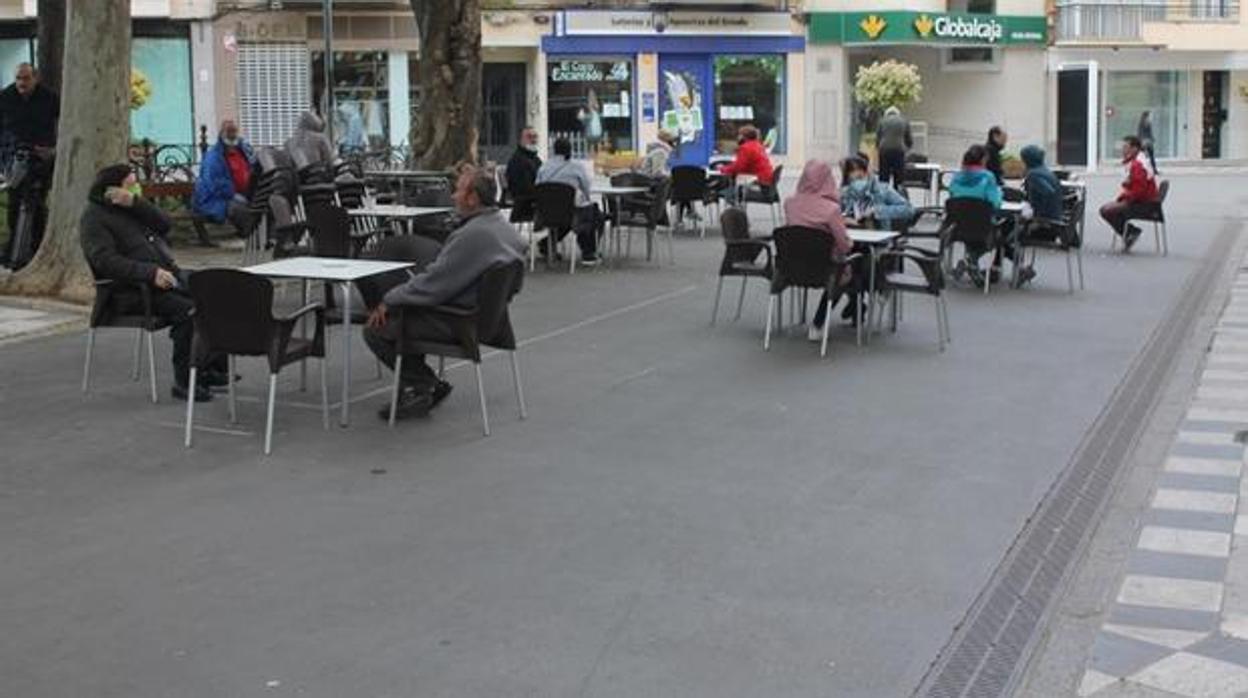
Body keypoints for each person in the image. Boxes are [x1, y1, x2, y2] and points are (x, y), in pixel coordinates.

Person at [363, 167, 527, 421]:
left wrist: (389, 299)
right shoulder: (506, 231)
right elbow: (513, 285)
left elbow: (433, 285)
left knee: (378, 328)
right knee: (407, 308)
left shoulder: (472, 235)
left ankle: (422, 384)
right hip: (491, 319)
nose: (453, 196)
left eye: (459, 190)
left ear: (473, 198)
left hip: (460, 321)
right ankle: (423, 386)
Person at [80, 165, 230, 403]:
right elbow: (106, 262)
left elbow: (165, 225)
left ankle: (210, 369)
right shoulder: (94, 219)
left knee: (215, 292)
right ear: (111, 190)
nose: (135, 187)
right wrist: (149, 273)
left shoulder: (130, 208)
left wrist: (136, 203)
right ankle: (184, 382)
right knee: (189, 311)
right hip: (131, 291)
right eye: (130, 184)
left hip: (168, 275)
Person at [783, 160, 857, 340]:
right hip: (825, 270)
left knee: (840, 268)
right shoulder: (832, 210)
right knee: (850, 268)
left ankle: (856, 307)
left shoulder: (789, 203)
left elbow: (793, 232)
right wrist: (851, 242)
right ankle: (819, 321)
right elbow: (844, 245)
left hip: (792, 268)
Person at [0, 63, 59, 268]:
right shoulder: (5, 96)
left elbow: (63, 121)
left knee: (37, 203)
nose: (21, 83)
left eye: (25, 78)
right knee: (15, 204)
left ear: (35, 78)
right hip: (13, 158)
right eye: (18, 78)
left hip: (41, 158)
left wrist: (53, 149)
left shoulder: (49, 98)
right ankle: (12, 252)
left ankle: (36, 248)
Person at [536, 137, 602, 265]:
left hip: (545, 214)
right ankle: (588, 252)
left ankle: (546, 244)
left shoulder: (543, 167)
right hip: (570, 213)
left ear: (554, 150)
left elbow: (537, 187)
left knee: (564, 217)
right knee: (594, 213)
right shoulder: (576, 167)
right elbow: (586, 189)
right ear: (570, 151)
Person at [947, 144, 1005, 285]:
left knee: (970, 223)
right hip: (983, 228)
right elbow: (995, 203)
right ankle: (971, 259)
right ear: (983, 159)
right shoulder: (988, 177)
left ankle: (971, 262)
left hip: (957, 228)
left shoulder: (956, 177)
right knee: (1000, 235)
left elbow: (953, 198)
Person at [192, 119, 257, 237]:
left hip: (243, 194)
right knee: (239, 208)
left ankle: (272, 236)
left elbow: (253, 168)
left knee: (265, 202)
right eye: (229, 132)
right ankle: (252, 237)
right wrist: (234, 194)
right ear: (222, 134)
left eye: (234, 131)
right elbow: (214, 184)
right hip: (214, 200)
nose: (232, 135)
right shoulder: (213, 157)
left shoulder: (243, 151)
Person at [1099, 135, 1159, 252]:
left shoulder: (1137, 165)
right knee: (1111, 208)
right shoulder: (1139, 161)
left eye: (1126, 147)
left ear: (1134, 149)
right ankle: (1129, 233)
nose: (1123, 150)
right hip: (1146, 199)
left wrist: (1124, 198)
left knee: (1105, 210)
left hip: (1144, 203)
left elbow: (1139, 191)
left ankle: (1131, 233)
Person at [839, 155, 914, 232]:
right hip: (853, 238)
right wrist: (844, 220)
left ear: (867, 173)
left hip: (879, 238)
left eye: (860, 177)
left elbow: (909, 210)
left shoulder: (883, 190)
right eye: (852, 181)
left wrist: (877, 211)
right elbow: (835, 215)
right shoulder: (845, 194)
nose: (857, 184)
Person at [505, 126, 541, 219]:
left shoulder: (536, 159)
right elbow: (523, 188)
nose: (533, 140)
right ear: (520, 140)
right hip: (526, 206)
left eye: (535, 136)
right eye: (529, 137)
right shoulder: (517, 161)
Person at [875, 106, 912, 188]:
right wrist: (907, 148)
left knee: (884, 176)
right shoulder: (904, 121)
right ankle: (897, 193)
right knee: (899, 177)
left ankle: (883, 194)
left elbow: (878, 137)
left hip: (884, 150)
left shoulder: (882, 121)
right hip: (899, 150)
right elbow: (908, 138)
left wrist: (878, 147)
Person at [1137, 111, 1159, 175]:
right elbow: (1140, 133)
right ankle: (1141, 169)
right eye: (1149, 116)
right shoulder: (1141, 123)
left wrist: (1152, 139)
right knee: (1142, 156)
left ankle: (1154, 169)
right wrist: (1141, 140)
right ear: (1146, 116)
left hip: (1148, 142)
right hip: (1144, 142)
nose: (1150, 117)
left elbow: (1150, 133)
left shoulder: (1148, 123)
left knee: (1151, 156)